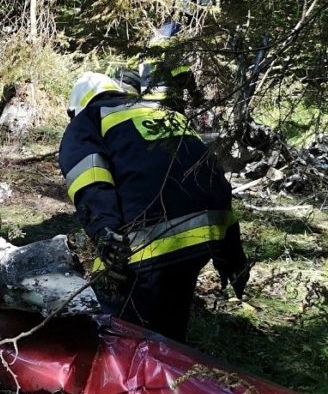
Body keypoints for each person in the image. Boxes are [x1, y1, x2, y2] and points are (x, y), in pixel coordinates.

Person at [58, 71, 249, 342]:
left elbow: (90, 180)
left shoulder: (89, 120)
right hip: (207, 234)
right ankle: (172, 360)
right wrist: (232, 254)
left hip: (149, 241)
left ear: (74, 108)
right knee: (171, 324)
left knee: (118, 328)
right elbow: (209, 175)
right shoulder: (165, 113)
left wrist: (104, 232)